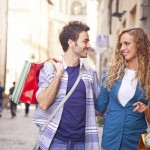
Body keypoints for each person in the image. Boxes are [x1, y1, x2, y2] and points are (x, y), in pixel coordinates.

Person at [33, 21, 101, 150]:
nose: (89, 45)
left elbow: (100, 106)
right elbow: (43, 104)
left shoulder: (90, 73)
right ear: (71, 43)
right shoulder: (50, 69)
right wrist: (58, 75)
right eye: (85, 41)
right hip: (55, 142)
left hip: (83, 143)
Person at [96, 27, 150, 150]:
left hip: (139, 140)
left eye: (127, 44)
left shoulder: (148, 75)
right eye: (121, 44)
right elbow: (99, 108)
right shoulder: (110, 72)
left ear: (139, 45)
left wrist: (146, 109)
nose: (122, 49)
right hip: (111, 139)